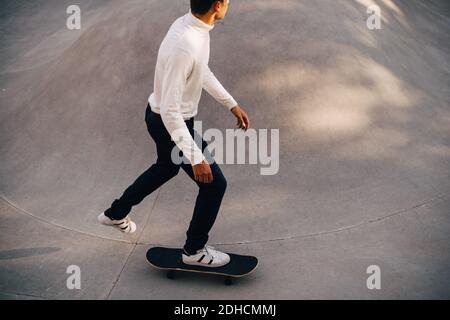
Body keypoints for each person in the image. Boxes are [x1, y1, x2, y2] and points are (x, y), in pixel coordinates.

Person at [98, 0, 250, 268]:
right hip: (170, 122)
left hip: (162, 117)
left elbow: (201, 71)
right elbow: (170, 110)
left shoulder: (194, 27)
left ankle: (115, 213)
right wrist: (194, 156)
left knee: (166, 168)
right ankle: (194, 251)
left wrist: (231, 104)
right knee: (214, 184)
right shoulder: (186, 44)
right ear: (217, 5)